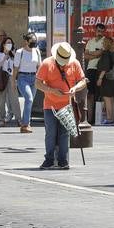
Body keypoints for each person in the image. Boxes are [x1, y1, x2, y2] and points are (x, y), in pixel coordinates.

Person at [35, 42, 87, 170]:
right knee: (50, 133)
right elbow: (37, 83)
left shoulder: (74, 63)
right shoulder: (47, 63)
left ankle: (63, 160)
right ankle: (49, 159)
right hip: (50, 105)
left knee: (64, 133)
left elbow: (83, 80)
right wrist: (51, 90)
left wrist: (75, 88)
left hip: (66, 104)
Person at [11, 32, 41, 134]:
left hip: (34, 78)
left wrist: (41, 79)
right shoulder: (20, 52)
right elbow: (15, 68)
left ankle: (24, 123)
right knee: (29, 99)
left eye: (35, 42)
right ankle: (25, 124)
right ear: (26, 42)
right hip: (23, 78)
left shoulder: (37, 51)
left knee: (29, 102)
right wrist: (13, 82)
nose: (34, 44)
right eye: (32, 42)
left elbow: (39, 67)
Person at [0, 36, 21, 128]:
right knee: (1, 100)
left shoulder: (14, 55)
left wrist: (15, 56)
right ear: (3, 45)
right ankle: (2, 119)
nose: (9, 44)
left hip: (11, 78)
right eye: (8, 43)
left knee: (14, 99)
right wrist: (4, 58)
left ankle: (19, 119)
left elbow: (18, 68)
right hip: (0, 78)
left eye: (11, 43)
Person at [85, 23, 106, 124]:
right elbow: (85, 55)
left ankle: (98, 118)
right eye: (98, 31)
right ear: (95, 30)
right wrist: (95, 55)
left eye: (102, 31)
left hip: (100, 69)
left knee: (100, 94)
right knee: (89, 95)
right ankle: (89, 118)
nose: (100, 33)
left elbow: (101, 53)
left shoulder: (105, 41)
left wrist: (92, 54)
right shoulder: (90, 41)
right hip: (90, 69)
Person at [96, 36, 114, 125]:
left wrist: (100, 78)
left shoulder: (105, 54)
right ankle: (111, 118)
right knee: (111, 99)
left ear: (106, 43)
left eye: (103, 42)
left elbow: (105, 67)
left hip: (106, 79)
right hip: (111, 79)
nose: (102, 43)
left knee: (107, 99)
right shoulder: (112, 53)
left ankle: (109, 119)